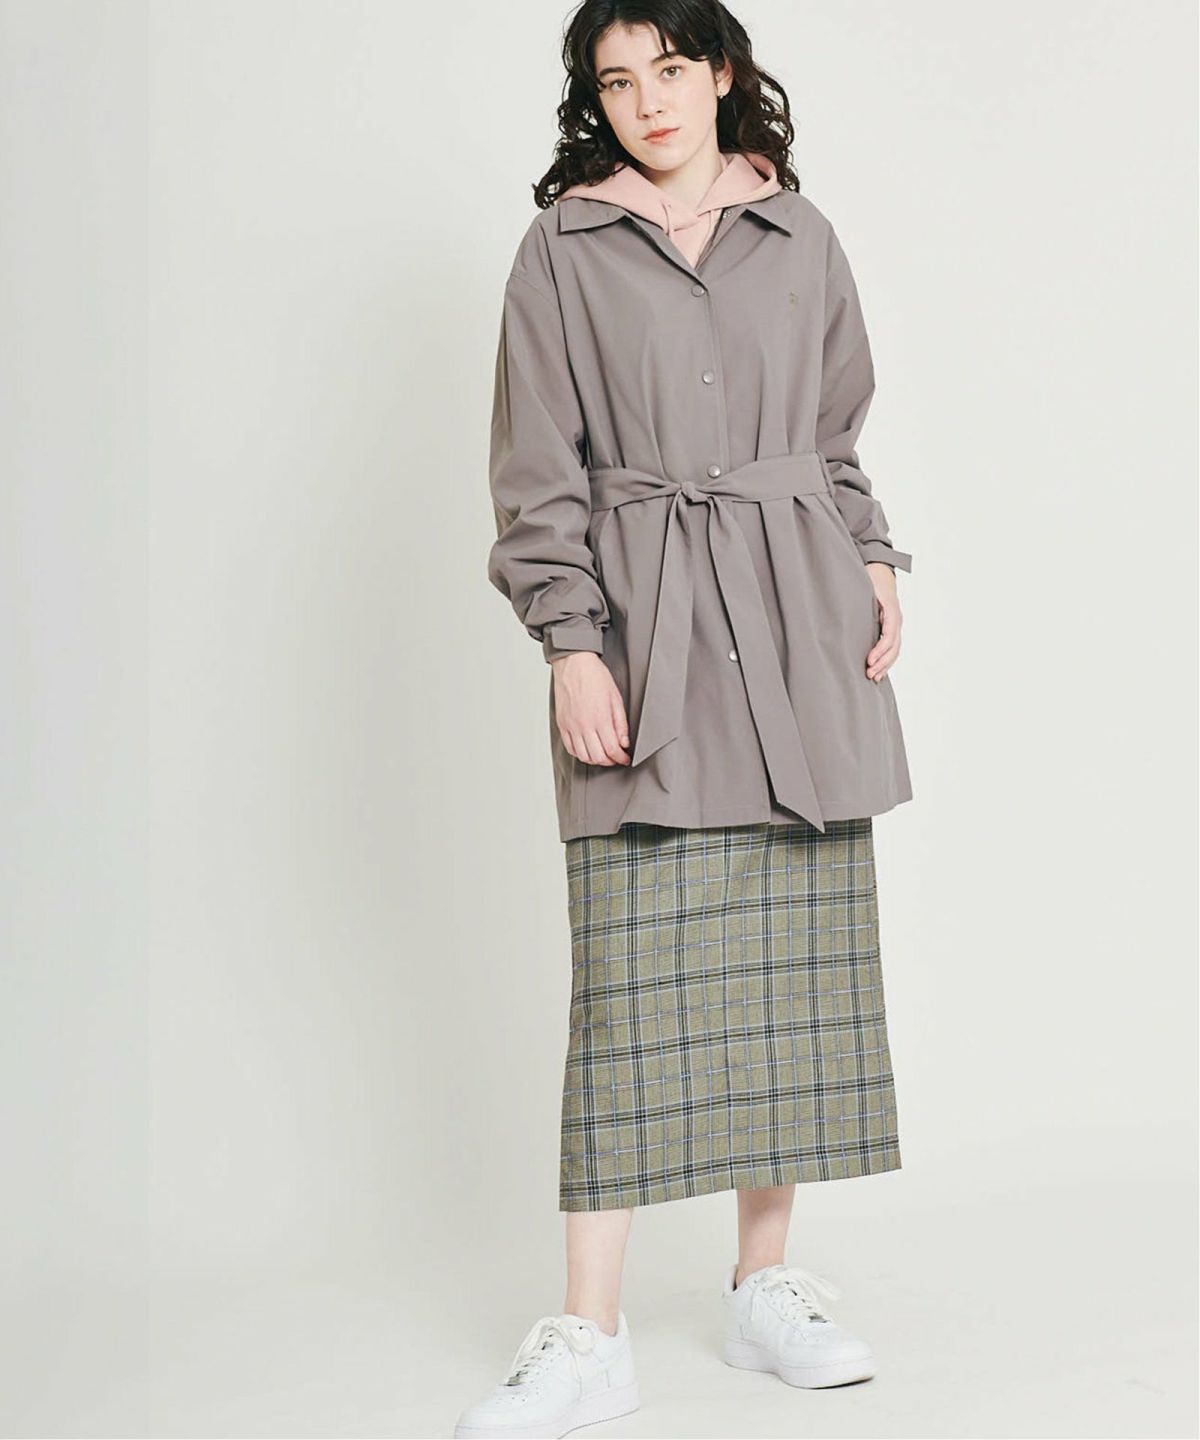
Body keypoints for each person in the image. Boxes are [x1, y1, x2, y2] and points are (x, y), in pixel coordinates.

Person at [458, 3, 914, 1435]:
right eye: (616, 81)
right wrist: (568, 642)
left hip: (798, 626)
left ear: (720, 73)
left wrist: (876, 560)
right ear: (595, 103)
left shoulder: (802, 236)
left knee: (790, 977)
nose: (647, 101)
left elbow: (835, 442)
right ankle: (588, 1332)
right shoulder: (563, 249)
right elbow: (538, 466)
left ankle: (762, 1287)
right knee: (628, 989)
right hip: (645, 634)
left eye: (669, 69)